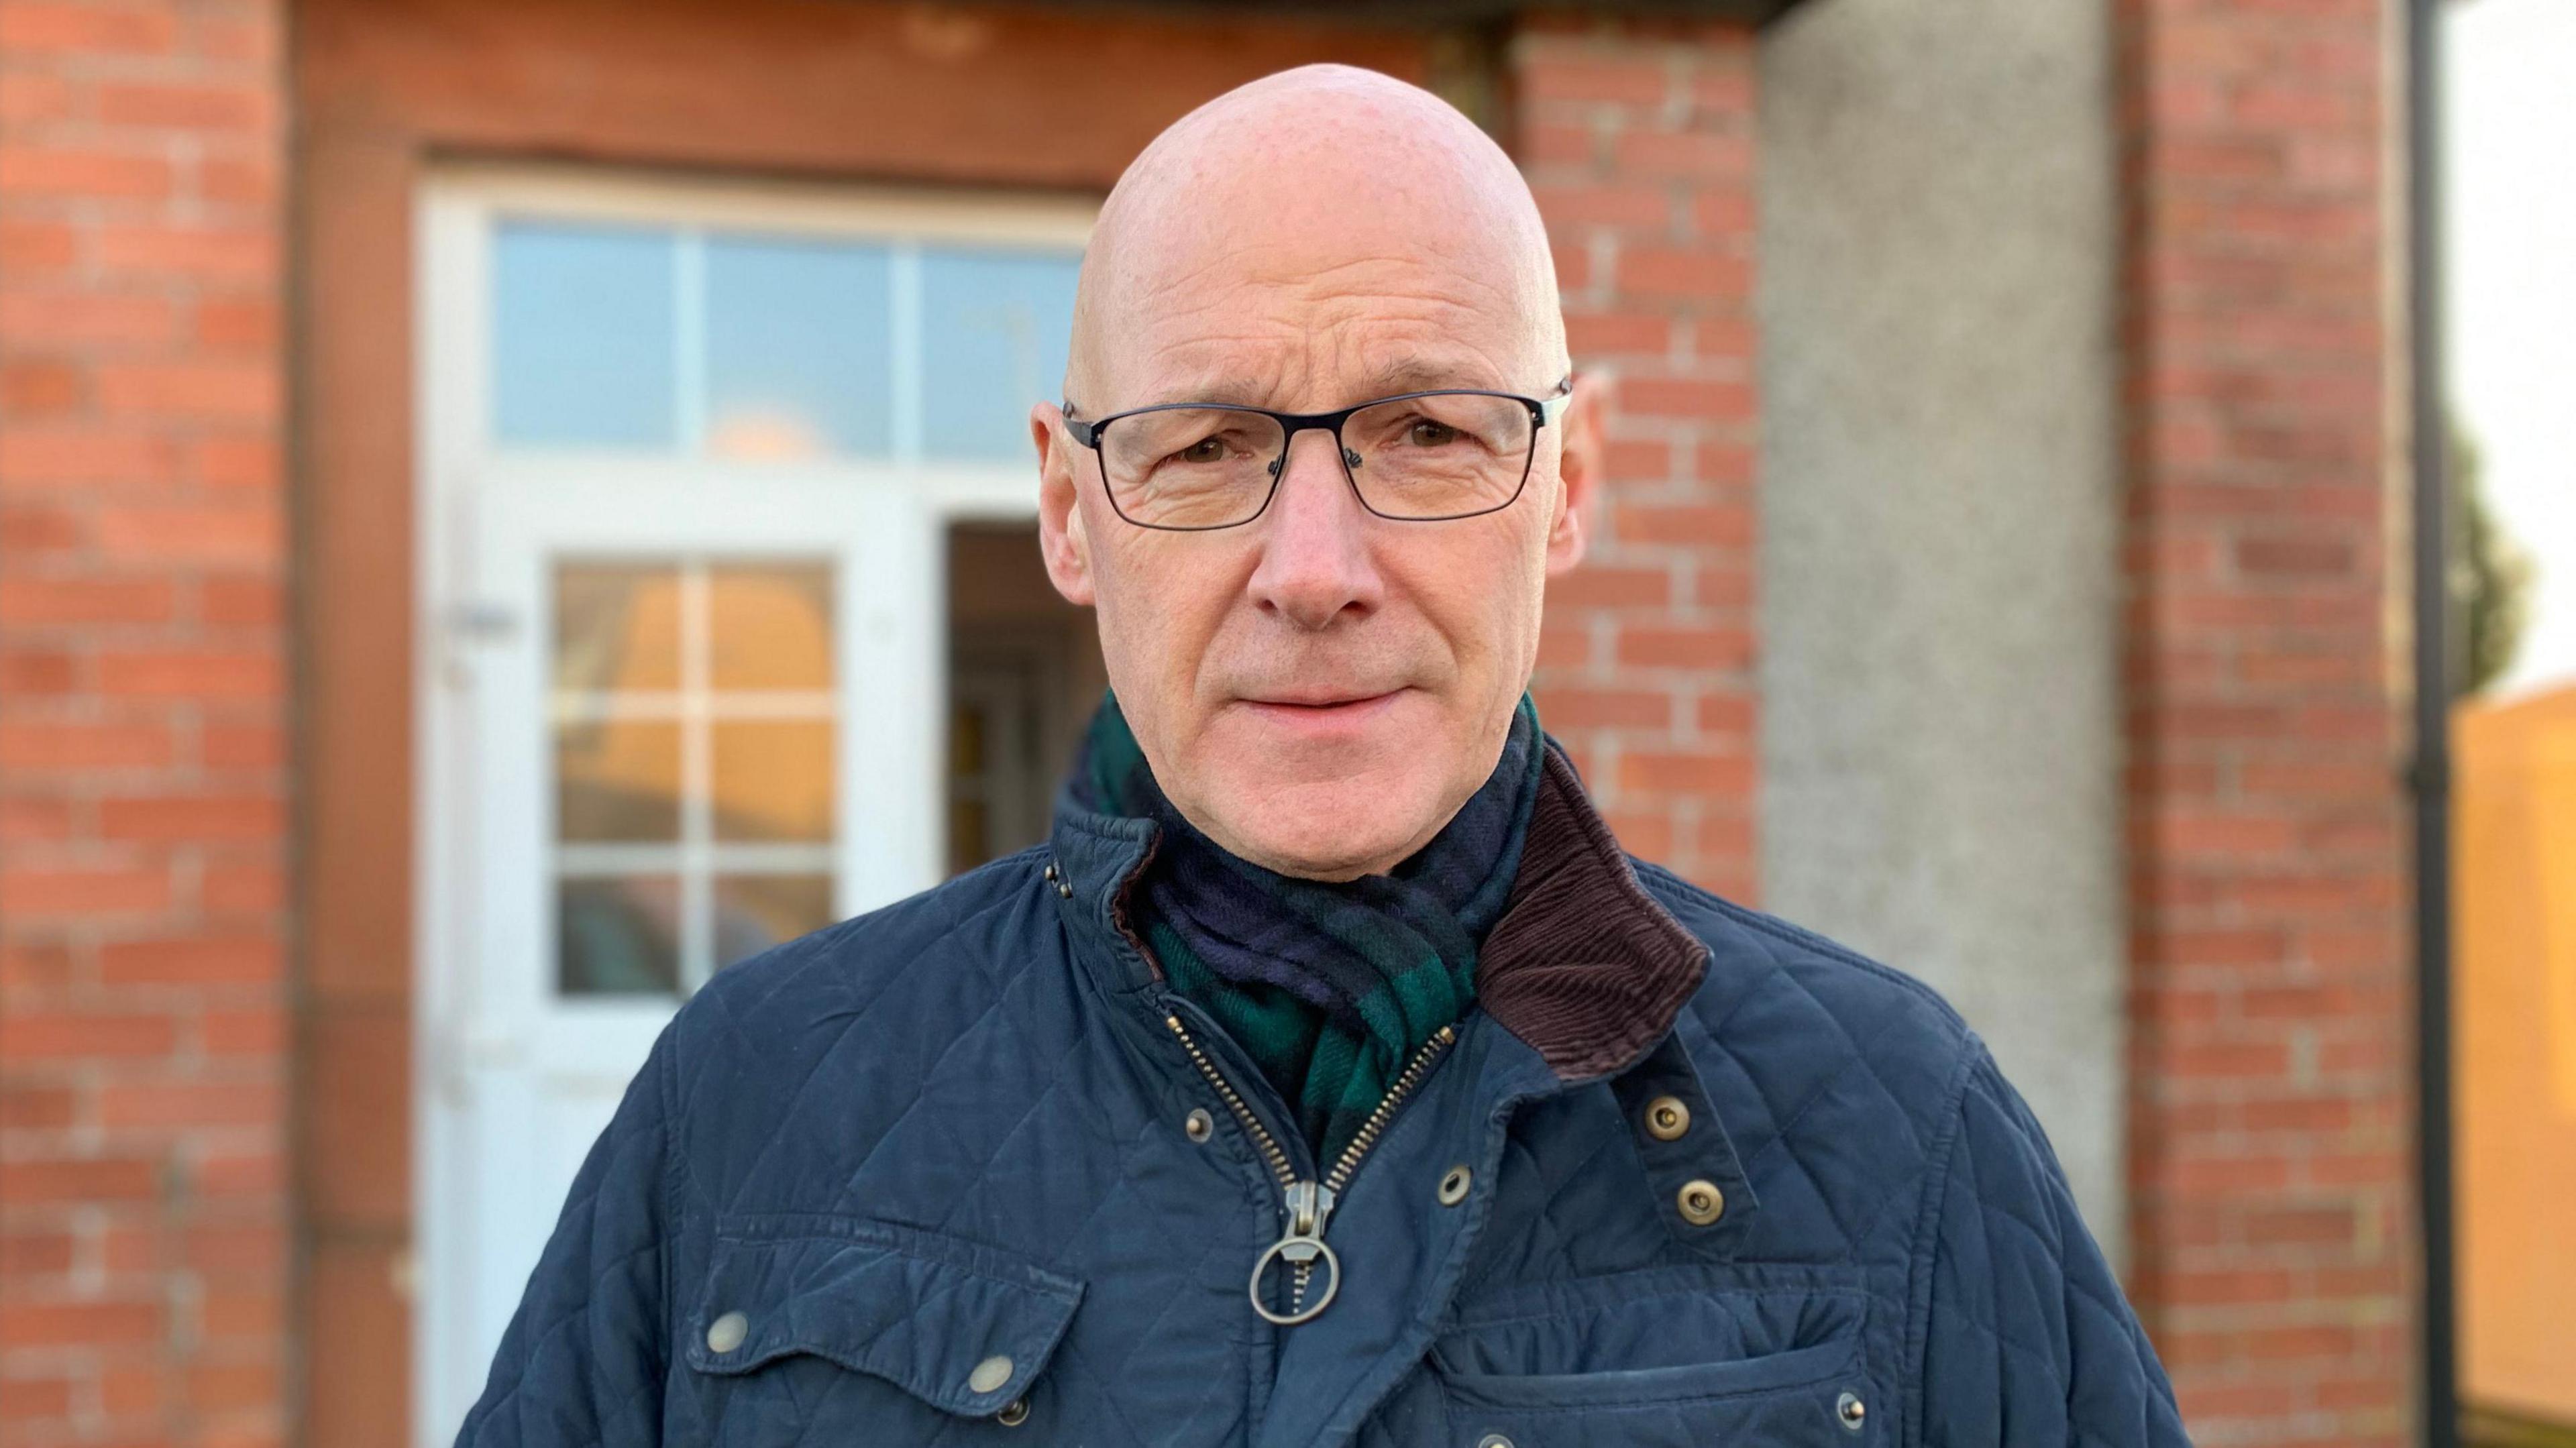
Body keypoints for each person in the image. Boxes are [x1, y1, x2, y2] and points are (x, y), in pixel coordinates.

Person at [455, 64, 2190, 1447]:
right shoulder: (755, 1096)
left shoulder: (1892, 1124)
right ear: (1073, 512)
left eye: (1427, 432)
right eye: (1208, 445)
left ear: (1566, 488)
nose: (1313, 569)